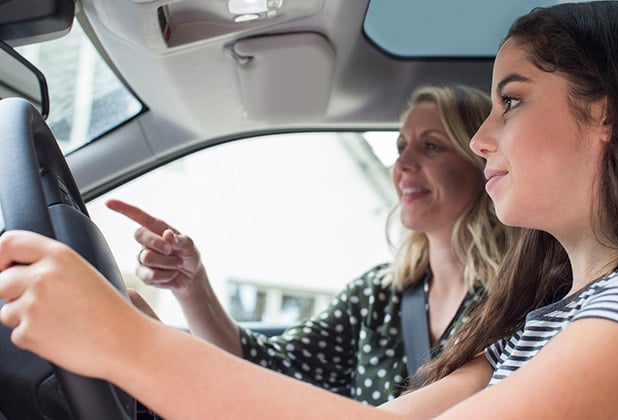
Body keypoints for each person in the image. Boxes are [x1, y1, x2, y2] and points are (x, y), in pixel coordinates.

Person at [1, 2, 618, 419]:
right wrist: (128, 334)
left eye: (512, 99)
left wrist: (127, 345)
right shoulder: (537, 319)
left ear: (608, 116)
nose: (481, 138)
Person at [102, 83, 511, 404]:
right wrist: (192, 287)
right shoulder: (379, 295)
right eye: (401, 147)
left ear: (482, 162)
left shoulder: (515, 301)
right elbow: (268, 369)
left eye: (432, 145)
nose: (402, 164)